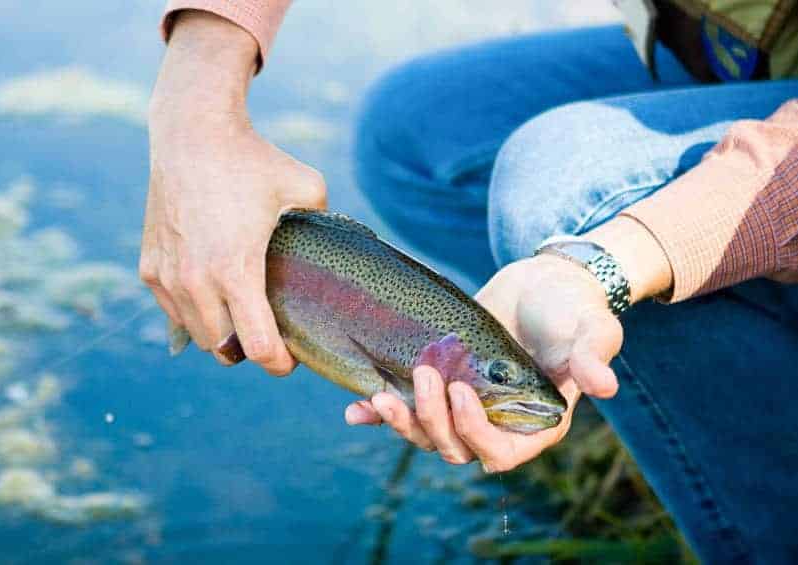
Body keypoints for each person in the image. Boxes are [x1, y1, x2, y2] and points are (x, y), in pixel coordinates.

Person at [139, 2, 798, 562]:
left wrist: (604, 262)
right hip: (736, 55)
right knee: (411, 131)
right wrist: (195, 113)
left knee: (559, 194)